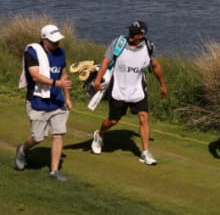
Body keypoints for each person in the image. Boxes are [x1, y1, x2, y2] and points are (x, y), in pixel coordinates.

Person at [90, 21, 168, 165]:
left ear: (141, 35)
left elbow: (155, 66)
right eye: (131, 32)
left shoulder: (148, 47)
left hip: (138, 89)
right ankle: (99, 134)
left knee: (144, 118)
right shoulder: (118, 43)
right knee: (112, 121)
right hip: (119, 89)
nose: (131, 35)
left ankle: (145, 152)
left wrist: (162, 84)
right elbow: (106, 62)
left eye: (135, 33)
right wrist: (97, 81)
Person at [16, 24, 73, 181]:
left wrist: (67, 96)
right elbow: (35, 76)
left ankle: (54, 171)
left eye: (58, 41)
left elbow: (64, 75)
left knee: (58, 134)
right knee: (38, 138)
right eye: (53, 42)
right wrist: (57, 84)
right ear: (44, 40)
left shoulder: (60, 52)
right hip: (37, 101)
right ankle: (22, 150)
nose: (57, 45)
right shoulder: (32, 52)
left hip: (57, 101)